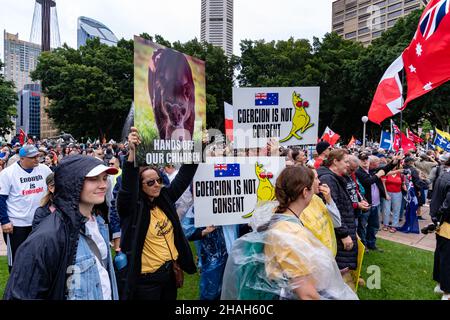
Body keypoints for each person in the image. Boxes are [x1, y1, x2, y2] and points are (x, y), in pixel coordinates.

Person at [221, 166, 357, 300]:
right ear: (305, 192)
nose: (319, 183)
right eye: (314, 182)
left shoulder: (282, 221)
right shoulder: (290, 232)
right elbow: (306, 294)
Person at [3, 155, 119, 299]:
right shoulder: (46, 237)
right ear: (72, 182)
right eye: (94, 179)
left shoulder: (99, 224)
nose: (103, 185)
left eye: (104, 178)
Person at [116, 127, 197, 300]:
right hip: (146, 282)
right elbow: (127, 189)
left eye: (159, 180)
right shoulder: (132, 209)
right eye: (150, 182)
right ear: (141, 186)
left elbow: (184, 176)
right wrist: (132, 153)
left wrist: (199, 145)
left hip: (170, 275)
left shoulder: (164, 199)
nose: (156, 185)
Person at [0, 144, 52, 272]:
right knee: (17, 259)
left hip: (40, 222)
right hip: (18, 224)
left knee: (38, 257)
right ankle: (14, 287)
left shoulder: (44, 169)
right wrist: (4, 221)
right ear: (22, 158)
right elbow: (1, 199)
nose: (36, 159)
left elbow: (54, 187)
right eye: (32, 157)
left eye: (37, 156)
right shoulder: (8, 173)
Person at [317, 149, 358, 286]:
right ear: (335, 161)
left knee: (341, 271)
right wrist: (344, 234)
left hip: (342, 230)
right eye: (345, 161)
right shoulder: (328, 179)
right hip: (338, 235)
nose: (348, 165)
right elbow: (332, 210)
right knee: (340, 271)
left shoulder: (336, 178)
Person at [429, 156, 450, 300]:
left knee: (441, 253)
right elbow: (448, 204)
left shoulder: (444, 174)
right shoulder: (445, 176)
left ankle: (439, 283)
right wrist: (439, 218)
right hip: (446, 221)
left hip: (440, 219)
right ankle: (447, 291)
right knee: (446, 256)